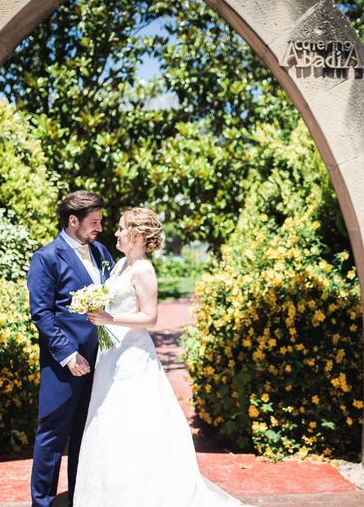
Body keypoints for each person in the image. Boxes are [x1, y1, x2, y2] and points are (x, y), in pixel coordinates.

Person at [74, 208, 245, 506]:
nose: (115, 233)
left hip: (133, 358)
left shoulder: (143, 269)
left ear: (137, 235)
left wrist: (109, 318)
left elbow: (150, 318)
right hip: (111, 356)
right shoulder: (118, 266)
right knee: (108, 424)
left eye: (121, 228)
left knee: (133, 424)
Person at [28, 191, 116, 507]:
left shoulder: (102, 251)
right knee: (53, 433)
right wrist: (67, 354)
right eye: (94, 222)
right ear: (73, 220)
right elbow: (41, 313)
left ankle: (81, 497)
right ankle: (43, 501)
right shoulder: (46, 258)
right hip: (64, 364)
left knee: (85, 431)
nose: (100, 228)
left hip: (100, 358)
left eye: (101, 221)